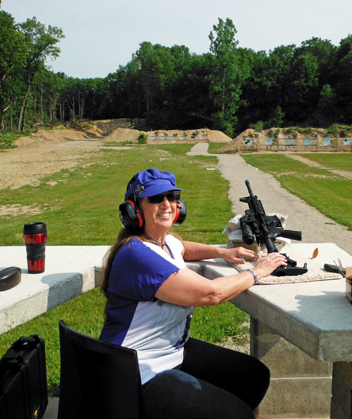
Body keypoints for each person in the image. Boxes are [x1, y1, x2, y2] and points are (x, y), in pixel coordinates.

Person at [99, 168, 286, 419]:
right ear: (134, 210)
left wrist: (222, 252)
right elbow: (211, 294)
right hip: (134, 374)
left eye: (172, 196)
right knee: (238, 415)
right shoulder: (137, 254)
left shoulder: (163, 242)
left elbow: (183, 247)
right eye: (155, 198)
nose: (167, 204)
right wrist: (258, 272)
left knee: (253, 376)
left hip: (167, 351)